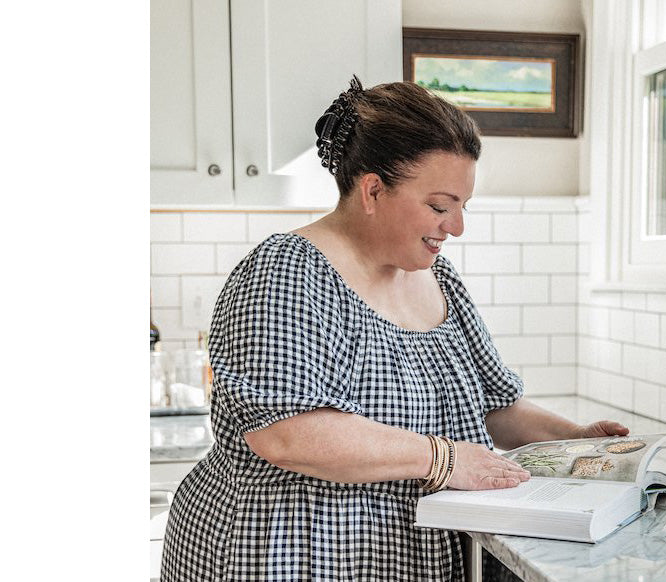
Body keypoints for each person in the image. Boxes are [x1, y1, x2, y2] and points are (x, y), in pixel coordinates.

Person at [160, 75, 630, 581]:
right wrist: (443, 458)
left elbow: (496, 405)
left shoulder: (439, 278)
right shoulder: (286, 273)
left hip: (406, 552)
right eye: (439, 206)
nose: (456, 227)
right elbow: (288, 435)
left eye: (462, 207)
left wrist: (578, 441)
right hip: (288, 551)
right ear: (373, 189)